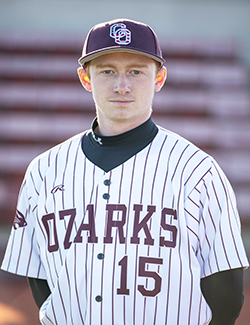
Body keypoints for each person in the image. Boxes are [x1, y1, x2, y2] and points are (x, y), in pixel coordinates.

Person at [1, 18, 249, 325]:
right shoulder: (43, 171)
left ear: (159, 78)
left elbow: (226, 291)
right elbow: (42, 279)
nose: (122, 85)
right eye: (107, 71)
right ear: (85, 77)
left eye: (136, 71)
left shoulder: (198, 171)